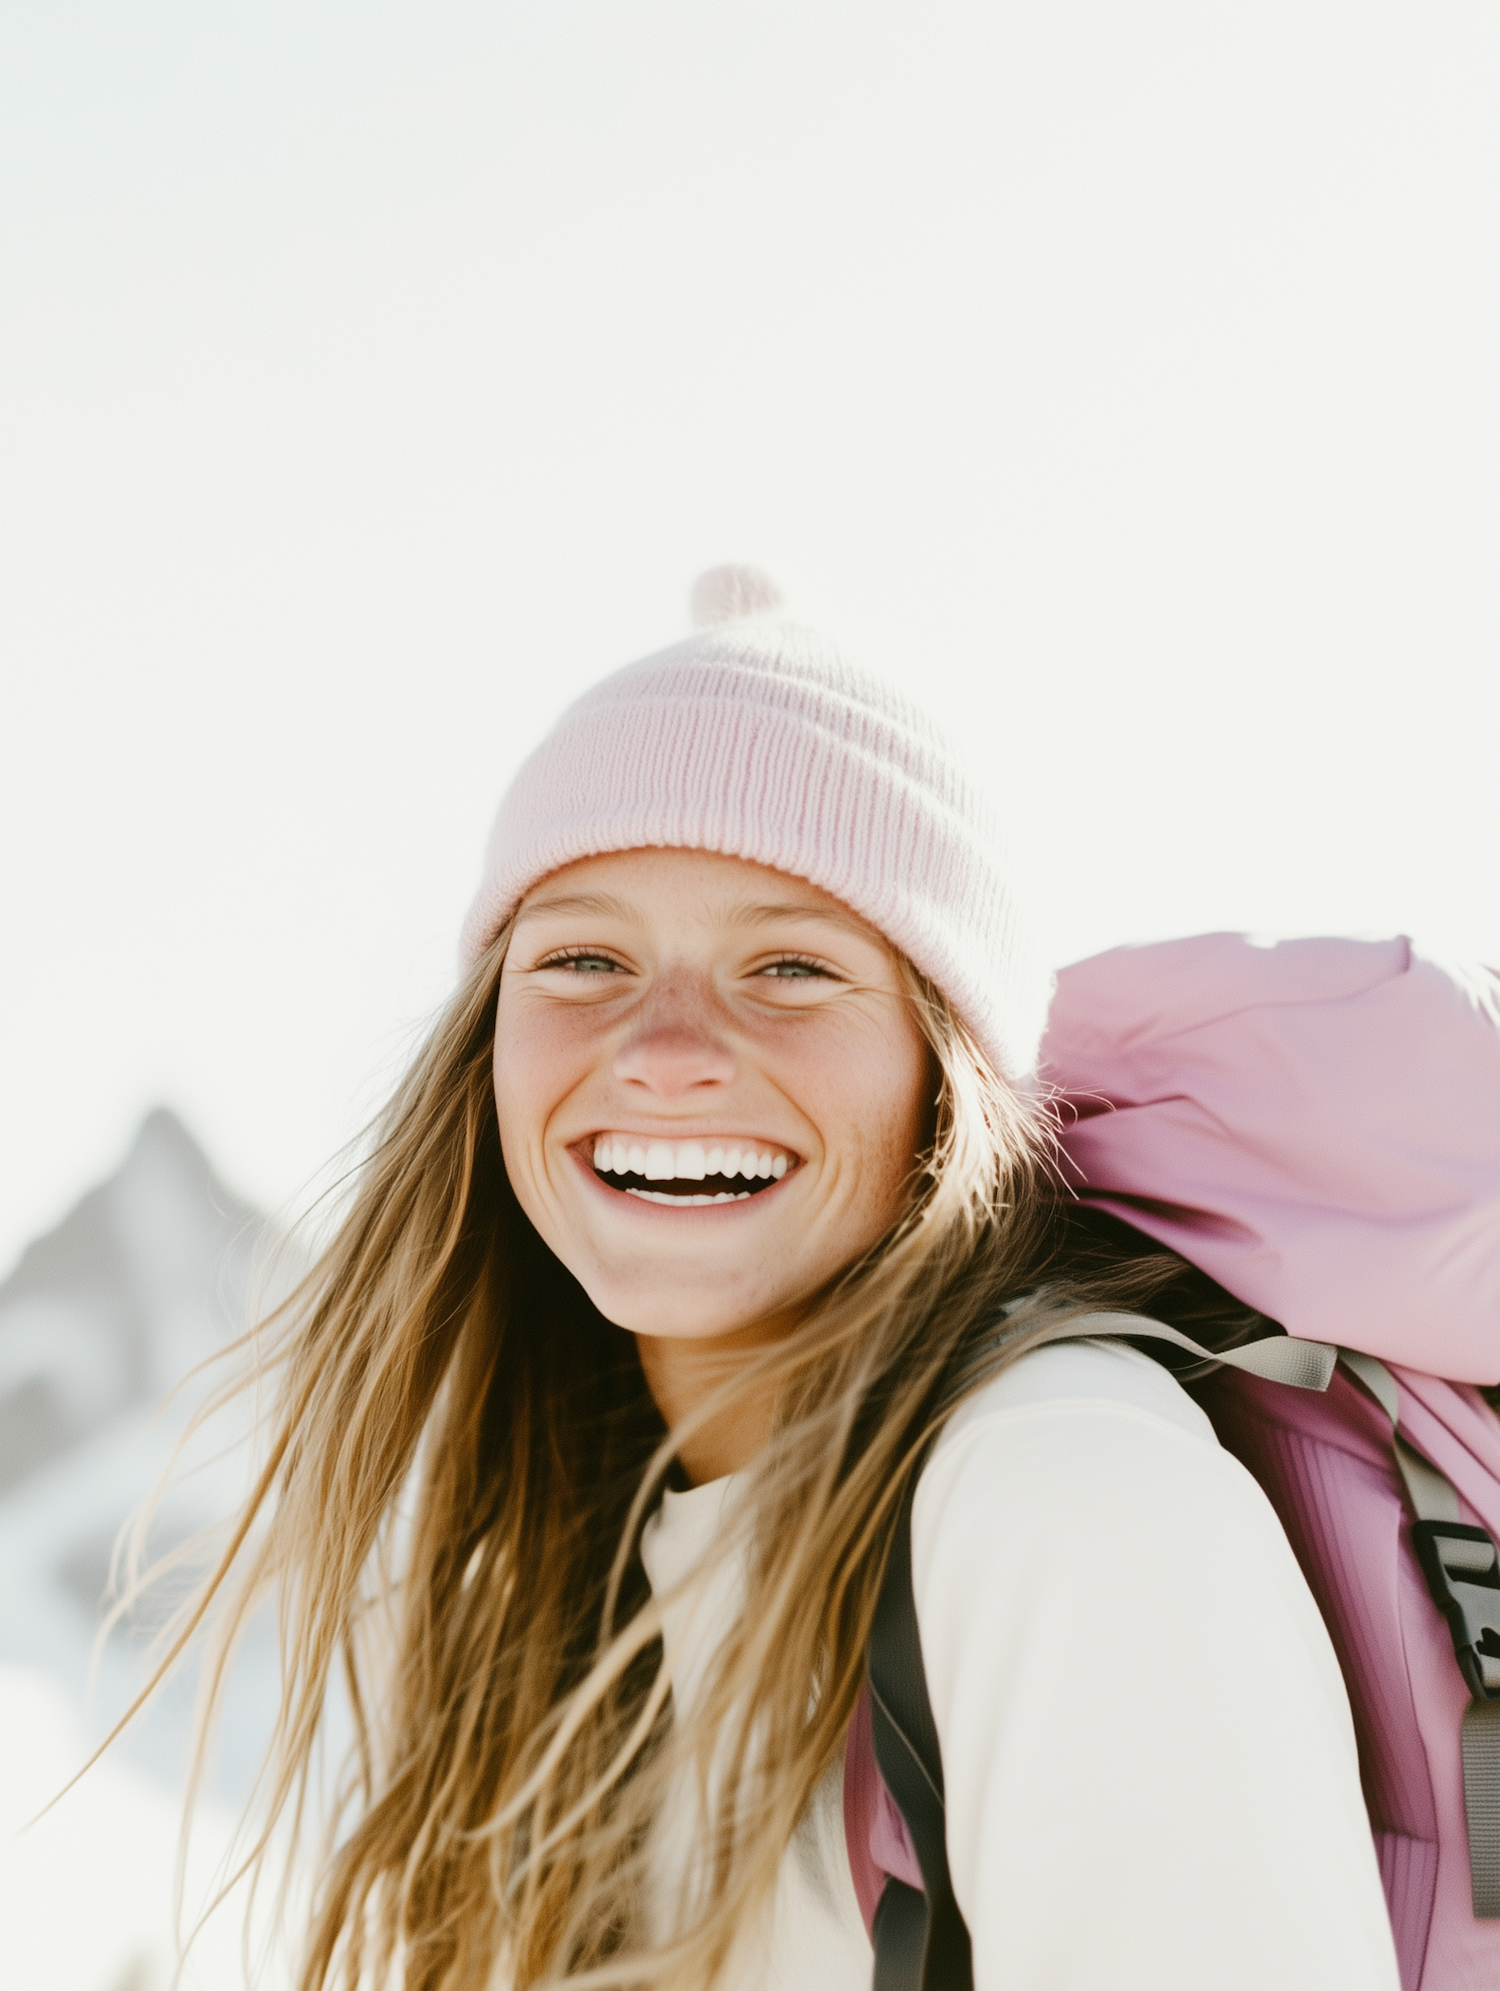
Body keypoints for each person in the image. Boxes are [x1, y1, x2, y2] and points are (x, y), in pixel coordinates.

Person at [176, 568, 1400, 1990]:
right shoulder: (584, 1587)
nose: (666, 1045)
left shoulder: (1058, 1492)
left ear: (944, 1078)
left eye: (792, 968)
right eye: (580, 955)